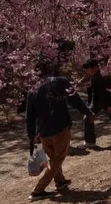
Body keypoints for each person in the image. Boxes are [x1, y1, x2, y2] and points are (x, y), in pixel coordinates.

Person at [26, 59, 92, 200]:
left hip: (43, 131)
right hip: (60, 126)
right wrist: (88, 112)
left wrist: (31, 133)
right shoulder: (61, 81)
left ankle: (60, 181)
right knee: (58, 158)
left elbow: (29, 114)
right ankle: (38, 190)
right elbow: (75, 99)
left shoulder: (33, 89)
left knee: (54, 157)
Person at [80, 59, 111, 150]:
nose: (87, 72)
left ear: (95, 68)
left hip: (99, 102)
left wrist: (106, 105)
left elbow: (104, 93)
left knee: (87, 118)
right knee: (87, 118)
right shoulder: (95, 75)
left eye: (88, 69)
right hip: (95, 101)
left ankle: (90, 142)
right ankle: (90, 141)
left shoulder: (101, 76)